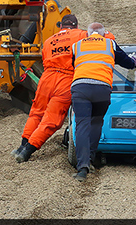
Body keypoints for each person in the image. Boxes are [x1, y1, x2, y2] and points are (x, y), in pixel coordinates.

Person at [13, 14, 87, 162]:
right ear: (76, 26)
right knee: (52, 119)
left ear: (60, 26)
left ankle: (22, 146)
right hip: (66, 78)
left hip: (46, 79)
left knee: (36, 113)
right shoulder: (82, 35)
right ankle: (28, 151)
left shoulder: (49, 41)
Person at [70, 22, 136, 181]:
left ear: (88, 34)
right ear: (103, 34)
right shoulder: (110, 43)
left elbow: (74, 64)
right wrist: (135, 60)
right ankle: (90, 159)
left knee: (82, 124)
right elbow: (127, 63)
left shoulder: (77, 45)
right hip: (102, 88)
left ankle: (82, 168)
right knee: (96, 122)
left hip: (80, 87)